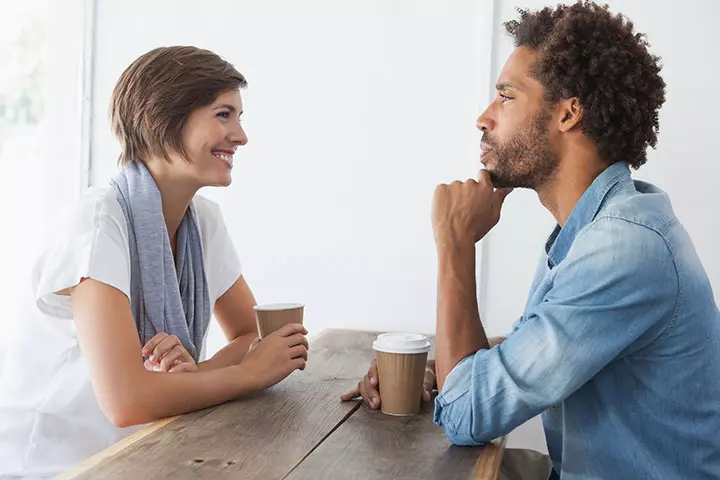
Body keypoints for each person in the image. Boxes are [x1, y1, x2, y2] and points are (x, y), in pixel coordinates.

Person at [343, 2, 720, 479]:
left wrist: (455, 242)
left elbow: (466, 414)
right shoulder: (591, 230)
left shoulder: (623, 249)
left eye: (506, 97)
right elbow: (535, 345)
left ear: (568, 114)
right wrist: (441, 367)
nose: (484, 118)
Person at [0, 46, 309, 479]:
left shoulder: (203, 221)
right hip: (54, 465)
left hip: (141, 453)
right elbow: (126, 400)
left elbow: (247, 334)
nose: (240, 136)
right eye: (223, 114)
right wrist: (249, 374)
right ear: (157, 121)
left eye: (239, 117)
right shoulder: (98, 224)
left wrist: (184, 380)